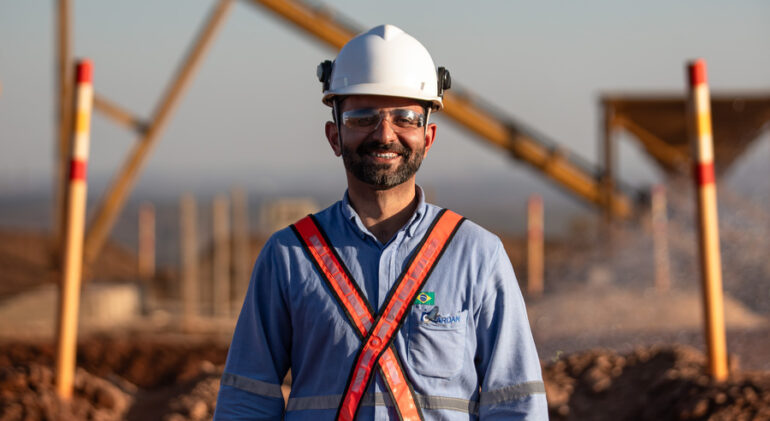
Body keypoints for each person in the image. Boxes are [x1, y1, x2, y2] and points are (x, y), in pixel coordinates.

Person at [214, 24, 548, 420]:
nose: (385, 134)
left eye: (406, 117)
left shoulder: (477, 256)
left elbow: (517, 405)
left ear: (429, 136)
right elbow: (246, 403)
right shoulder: (289, 257)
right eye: (362, 118)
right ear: (334, 135)